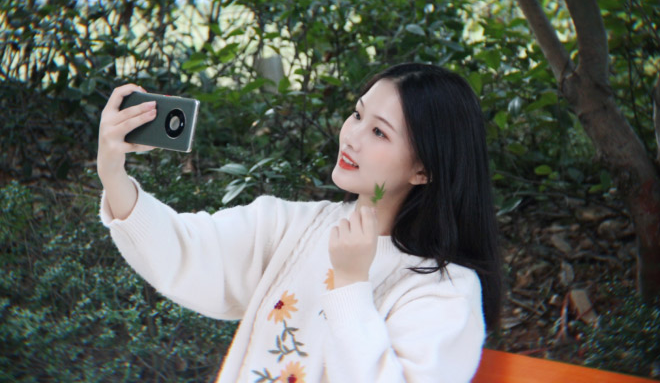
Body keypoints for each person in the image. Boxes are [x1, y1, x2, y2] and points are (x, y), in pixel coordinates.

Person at [97, 63, 502, 383]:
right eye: (357, 115)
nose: (352, 137)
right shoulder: (295, 226)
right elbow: (185, 250)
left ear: (423, 169)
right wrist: (112, 172)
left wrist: (350, 285)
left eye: (379, 132)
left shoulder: (444, 292)